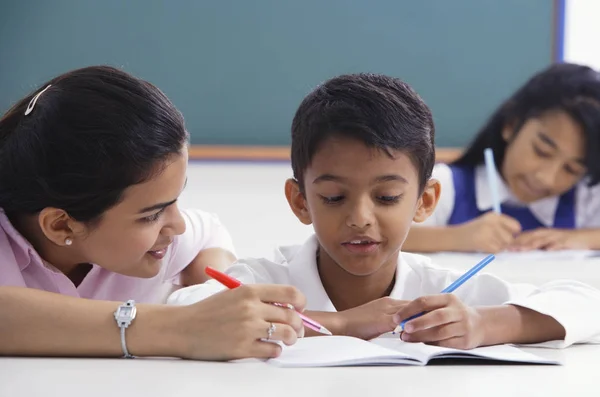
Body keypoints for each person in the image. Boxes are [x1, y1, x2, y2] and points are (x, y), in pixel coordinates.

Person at [168, 73, 600, 349]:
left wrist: (485, 326)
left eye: (388, 197)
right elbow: (183, 308)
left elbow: (587, 305)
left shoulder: (439, 290)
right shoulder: (268, 280)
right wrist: (337, 324)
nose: (361, 217)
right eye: (334, 198)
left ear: (425, 202)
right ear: (301, 202)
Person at [0, 65, 305, 360]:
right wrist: (183, 328)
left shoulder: (155, 243)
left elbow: (208, 234)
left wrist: (210, 294)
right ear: (62, 226)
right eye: (151, 215)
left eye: (176, 201)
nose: (179, 225)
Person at [404, 63, 600, 253]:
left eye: (571, 169)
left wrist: (582, 238)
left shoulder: (584, 197)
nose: (546, 178)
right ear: (511, 125)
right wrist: (457, 237)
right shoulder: (445, 185)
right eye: (542, 151)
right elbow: (384, 237)